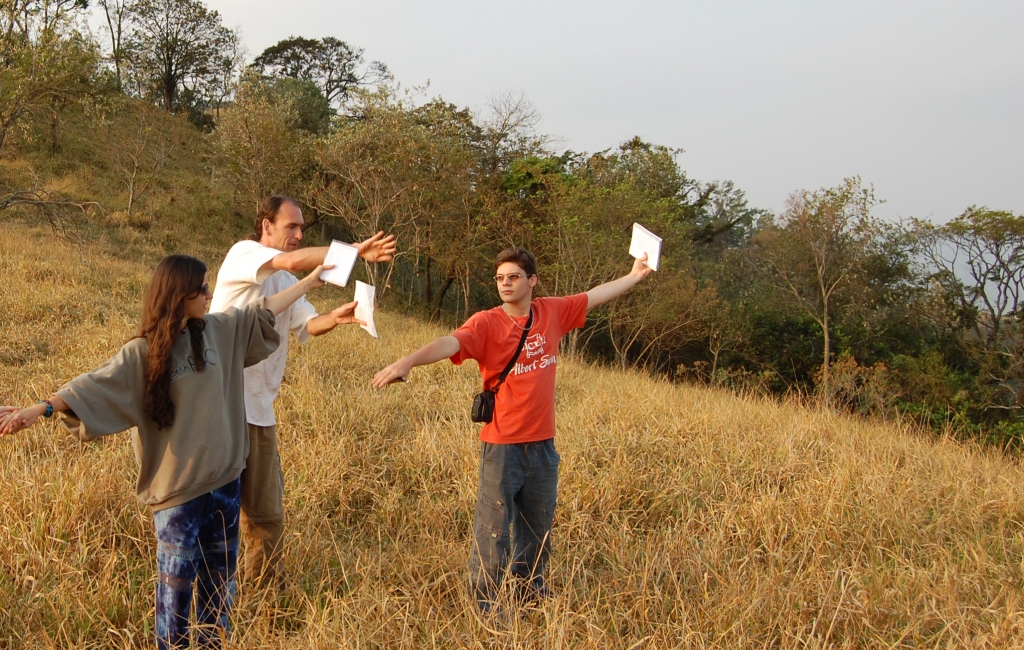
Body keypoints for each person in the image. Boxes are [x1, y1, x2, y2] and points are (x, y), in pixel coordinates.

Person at [0, 254, 352, 649]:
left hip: (225, 487)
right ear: (177, 294)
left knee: (219, 595)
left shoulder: (218, 331)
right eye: (202, 288)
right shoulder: (142, 354)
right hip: (178, 502)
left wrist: (310, 282)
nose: (210, 294)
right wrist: (38, 409)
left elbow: (262, 311)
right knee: (175, 602)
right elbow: (92, 386)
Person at [372, 246, 652, 612]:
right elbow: (450, 342)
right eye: (500, 278)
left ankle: (529, 588)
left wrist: (634, 276)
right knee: (494, 527)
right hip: (503, 445)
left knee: (538, 525)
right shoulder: (487, 322)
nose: (505, 284)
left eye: (514, 277)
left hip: (543, 445)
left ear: (532, 280)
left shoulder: (552, 311)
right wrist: (408, 361)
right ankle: (484, 602)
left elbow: (595, 296)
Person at [209, 195, 397, 586]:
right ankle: (209, 596)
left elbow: (307, 324)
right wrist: (356, 250)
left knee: (266, 515)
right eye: (290, 226)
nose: (297, 234)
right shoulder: (245, 254)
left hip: (259, 410)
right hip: (220, 404)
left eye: (301, 229)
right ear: (266, 225)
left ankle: (263, 598)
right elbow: (293, 261)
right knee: (215, 512)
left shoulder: (287, 283)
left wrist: (339, 317)